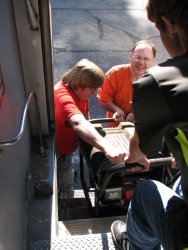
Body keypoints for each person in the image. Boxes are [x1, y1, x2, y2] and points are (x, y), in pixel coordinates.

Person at [111, 0, 188, 249]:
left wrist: (136, 154)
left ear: (168, 24)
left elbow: (138, 152)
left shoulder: (160, 82)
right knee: (176, 184)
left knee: (145, 192)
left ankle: (134, 245)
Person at [54, 59, 126, 197]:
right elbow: (78, 123)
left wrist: (84, 141)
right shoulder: (63, 97)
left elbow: (84, 115)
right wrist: (108, 148)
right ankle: (66, 199)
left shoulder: (78, 90)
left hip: (68, 148)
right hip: (60, 153)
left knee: (66, 172)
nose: (94, 93)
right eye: (92, 89)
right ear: (77, 84)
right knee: (65, 178)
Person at [97, 40, 156, 127]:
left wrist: (136, 115)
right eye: (138, 57)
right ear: (131, 55)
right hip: (116, 128)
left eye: (146, 59)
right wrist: (116, 110)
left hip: (144, 129)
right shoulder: (115, 73)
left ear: (153, 61)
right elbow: (103, 99)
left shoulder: (157, 80)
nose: (141, 62)